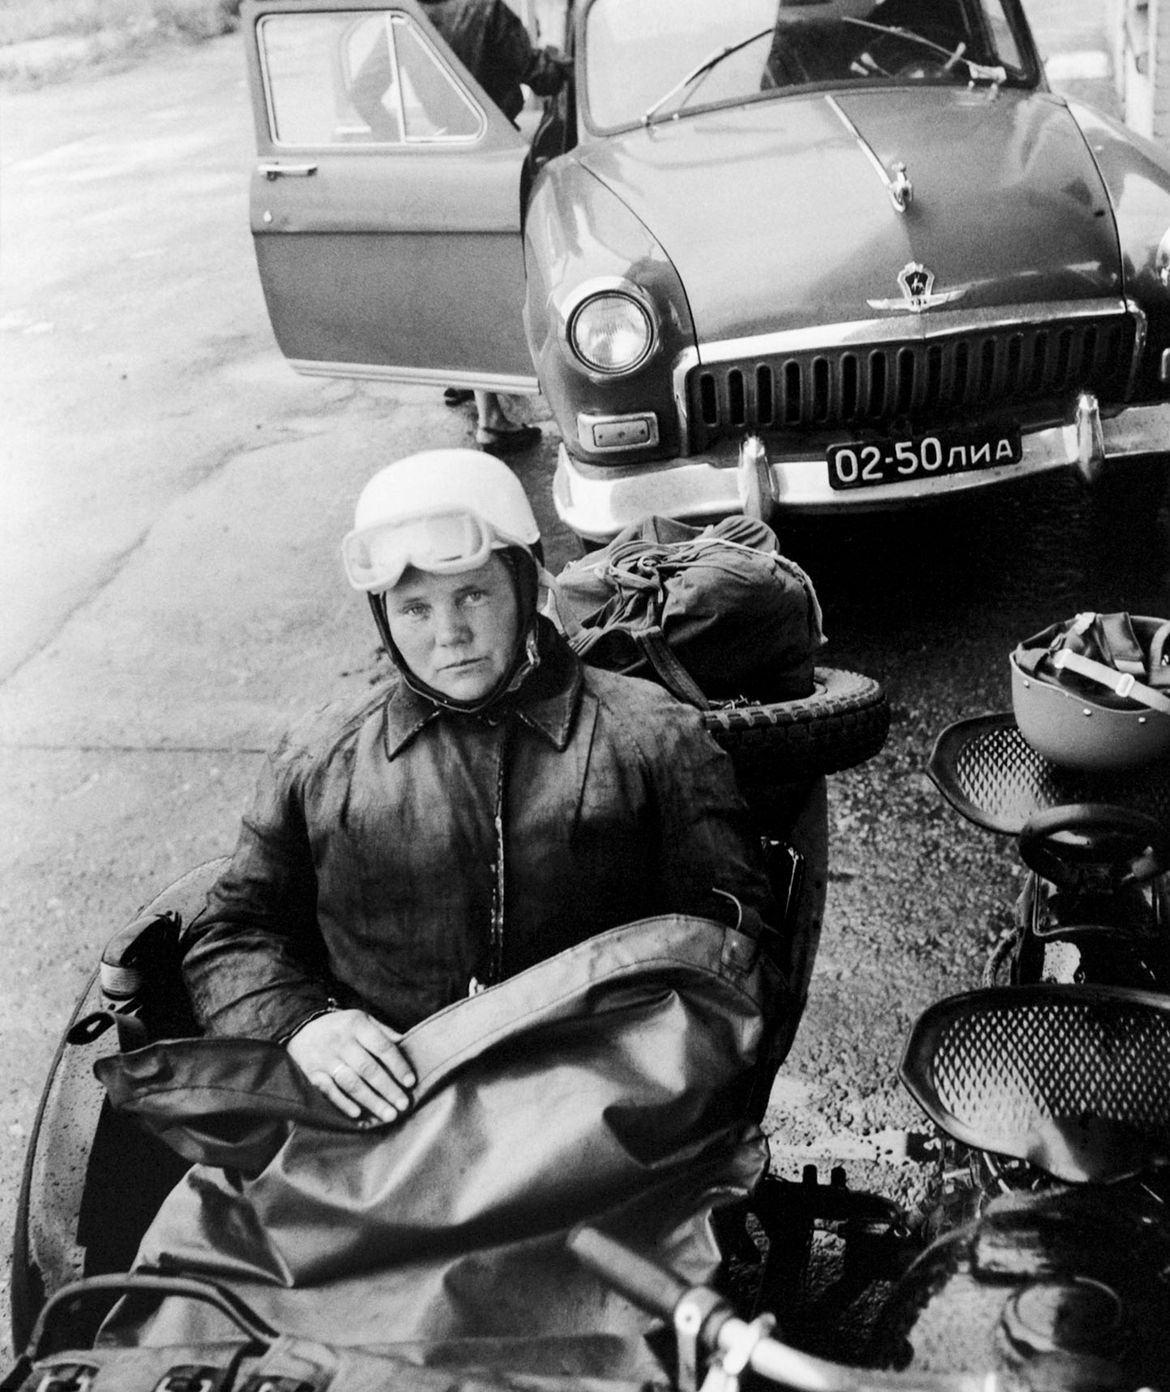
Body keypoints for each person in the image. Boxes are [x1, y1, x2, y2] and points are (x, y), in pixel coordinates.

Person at [182, 447, 776, 1125]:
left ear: (524, 585)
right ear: (382, 615)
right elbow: (231, 933)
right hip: (383, 1127)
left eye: (472, 594)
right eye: (415, 609)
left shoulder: (653, 735)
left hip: (599, 1117)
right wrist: (302, 1025)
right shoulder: (318, 758)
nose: (450, 635)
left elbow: (730, 944)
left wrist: (630, 1084)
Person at [348, 0, 565, 435]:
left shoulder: (406, 17)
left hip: (445, 154)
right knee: (502, 278)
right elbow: (544, 77)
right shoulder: (488, 12)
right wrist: (559, 55)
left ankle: (468, 379)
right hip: (496, 154)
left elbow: (363, 92)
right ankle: (492, 416)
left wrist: (403, 139)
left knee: (463, 276)